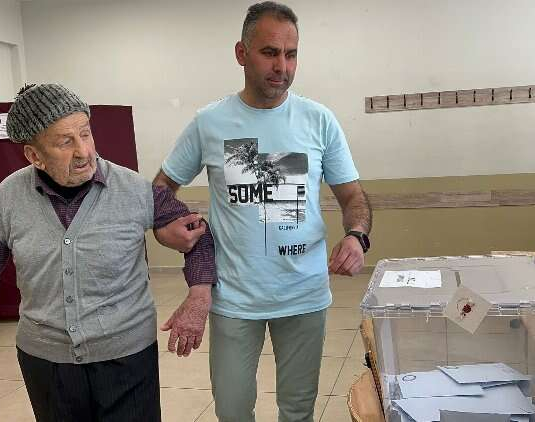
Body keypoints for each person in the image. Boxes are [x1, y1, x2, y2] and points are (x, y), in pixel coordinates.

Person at [0, 83, 216, 422]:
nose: (84, 151)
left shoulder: (136, 190)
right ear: (34, 156)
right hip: (47, 363)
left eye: (85, 134)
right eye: (65, 142)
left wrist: (198, 297)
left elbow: (199, 237)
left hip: (127, 357)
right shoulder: (6, 199)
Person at [154, 2, 372, 421]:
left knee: (298, 409)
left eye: (291, 55)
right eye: (270, 52)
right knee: (233, 410)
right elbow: (161, 190)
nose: (282, 67)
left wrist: (356, 236)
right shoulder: (209, 122)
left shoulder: (319, 120)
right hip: (234, 297)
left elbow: (354, 198)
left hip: (304, 294)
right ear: (241, 53)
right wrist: (166, 230)